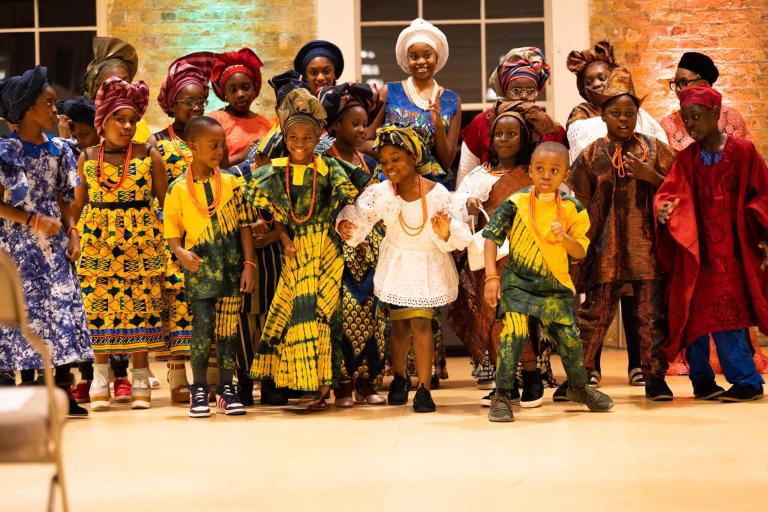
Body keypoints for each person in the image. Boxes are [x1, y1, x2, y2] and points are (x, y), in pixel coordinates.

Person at [248, 88, 368, 411]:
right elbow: (282, 218)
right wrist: (284, 239)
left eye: (307, 138)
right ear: (285, 138)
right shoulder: (276, 172)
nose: (299, 145)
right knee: (298, 314)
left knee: (325, 313)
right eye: (293, 138)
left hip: (327, 250)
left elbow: (352, 201)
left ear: (318, 140)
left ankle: (323, 386)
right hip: (297, 252)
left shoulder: (328, 170)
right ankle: (307, 385)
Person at [337, 124, 472, 412]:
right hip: (397, 263)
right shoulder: (383, 193)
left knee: (421, 323)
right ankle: (400, 377)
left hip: (427, 264)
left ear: (413, 157)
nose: (389, 166)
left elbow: (457, 236)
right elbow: (360, 218)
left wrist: (446, 230)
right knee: (399, 326)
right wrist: (348, 227)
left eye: (396, 159)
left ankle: (423, 387)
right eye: (384, 162)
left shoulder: (438, 195)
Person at [562, 66, 675, 401]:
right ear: (603, 114)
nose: (623, 119)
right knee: (592, 316)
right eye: (615, 113)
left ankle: (655, 377)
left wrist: (651, 176)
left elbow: (682, 187)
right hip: (603, 248)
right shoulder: (592, 153)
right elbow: (575, 200)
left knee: (650, 316)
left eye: (630, 113)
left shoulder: (654, 150)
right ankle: (577, 379)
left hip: (646, 250)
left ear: (637, 115)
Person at [482, 142, 613, 422]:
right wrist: (492, 276)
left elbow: (581, 251)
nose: (545, 175)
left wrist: (564, 237)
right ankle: (502, 395)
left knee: (569, 341)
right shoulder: (516, 203)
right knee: (513, 335)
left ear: (564, 175)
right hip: (518, 283)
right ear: (530, 171)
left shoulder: (572, 207)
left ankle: (579, 388)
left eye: (554, 170)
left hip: (555, 285)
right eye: (539, 169)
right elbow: (491, 237)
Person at [655, 85, 766, 402]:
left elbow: (763, 194)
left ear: (716, 113)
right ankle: (702, 382)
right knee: (694, 319)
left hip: (733, 254)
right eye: (686, 119)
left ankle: (746, 380)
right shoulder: (687, 158)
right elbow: (671, 192)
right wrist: (665, 209)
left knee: (728, 317)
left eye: (696, 117)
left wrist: (761, 230)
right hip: (696, 254)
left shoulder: (743, 152)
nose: (691, 125)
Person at [0, 66, 93, 417]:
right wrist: (31, 219)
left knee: (60, 312)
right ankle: (21, 388)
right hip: (17, 245)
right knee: (25, 314)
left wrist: (72, 229)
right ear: (26, 109)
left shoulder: (60, 149)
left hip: (53, 246)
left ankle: (60, 389)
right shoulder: (7, 151)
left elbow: (65, 197)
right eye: (49, 104)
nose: (56, 111)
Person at [450, 100, 552, 407]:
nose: (504, 140)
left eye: (512, 134)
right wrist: (467, 207)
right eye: (499, 134)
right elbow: (457, 209)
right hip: (489, 259)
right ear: (490, 138)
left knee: (522, 318)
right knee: (493, 319)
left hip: (523, 258)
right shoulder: (478, 175)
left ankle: (532, 376)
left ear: (524, 139)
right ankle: (503, 381)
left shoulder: (532, 174)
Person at [78, 77, 168, 411]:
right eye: (120, 119)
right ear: (103, 121)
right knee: (99, 307)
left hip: (141, 243)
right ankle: (101, 375)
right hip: (98, 243)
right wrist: (71, 233)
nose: (128, 126)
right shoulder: (87, 156)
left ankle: (140, 375)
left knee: (139, 306)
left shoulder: (149, 155)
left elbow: (165, 202)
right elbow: (77, 205)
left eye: (132, 120)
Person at [164, 115, 254, 417]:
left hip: (231, 271)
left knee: (228, 332)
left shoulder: (231, 182)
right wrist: (180, 253)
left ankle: (227, 389)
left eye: (222, 145)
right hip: (200, 271)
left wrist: (249, 264)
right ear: (193, 146)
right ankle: (198, 388)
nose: (220, 151)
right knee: (202, 331)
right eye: (213, 145)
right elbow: (172, 232)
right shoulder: (177, 188)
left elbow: (244, 226)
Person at [153, 51, 216, 402]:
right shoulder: (157, 144)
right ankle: (177, 379)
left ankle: (206, 378)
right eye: (187, 101)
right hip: (176, 234)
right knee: (177, 303)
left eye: (201, 101)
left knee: (206, 302)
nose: (195, 107)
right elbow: (158, 200)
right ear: (170, 103)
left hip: (209, 232)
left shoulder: (208, 137)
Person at [319, 82, 386, 406]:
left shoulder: (370, 164)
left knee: (372, 314)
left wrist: (371, 239)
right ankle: (342, 382)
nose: (362, 130)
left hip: (368, 249)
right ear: (334, 126)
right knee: (341, 315)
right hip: (336, 249)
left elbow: (375, 208)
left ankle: (367, 382)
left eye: (365, 123)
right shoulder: (324, 162)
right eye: (355, 124)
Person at [369, 18, 461, 186]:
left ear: (437, 57)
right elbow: (365, 140)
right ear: (407, 59)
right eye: (414, 56)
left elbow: (447, 162)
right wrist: (394, 154)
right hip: (391, 183)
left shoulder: (451, 100)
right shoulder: (389, 91)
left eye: (427, 55)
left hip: (432, 188)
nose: (421, 61)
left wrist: (438, 124)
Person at [458, 46, 565, 186]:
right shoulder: (483, 122)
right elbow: (465, 174)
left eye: (530, 90)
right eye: (516, 90)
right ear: (504, 90)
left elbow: (562, 181)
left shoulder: (550, 128)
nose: (524, 97)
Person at [565, 41, 668, 164]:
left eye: (602, 78)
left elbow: (656, 139)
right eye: (588, 82)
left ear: (614, 78)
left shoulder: (638, 112)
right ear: (583, 90)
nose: (596, 84)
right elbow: (580, 146)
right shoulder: (580, 114)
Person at [660, 52, 750, 152]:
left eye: (683, 82)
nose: (678, 90)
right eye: (676, 84)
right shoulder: (667, 125)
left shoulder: (732, 118)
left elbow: (748, 161)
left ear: (705, 83)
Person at [82, 36, 152, 144]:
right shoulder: (86, 127)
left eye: (126, 82)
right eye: (114, 84)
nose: (123, 88)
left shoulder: (139, 127)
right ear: (100, 91)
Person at [208, 48, 272, 166]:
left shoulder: (265, 124)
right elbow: (207, 166)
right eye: (233, 90)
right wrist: (242, 156)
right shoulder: (214, 121)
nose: (240, 94)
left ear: (254, 89)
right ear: (225, 94)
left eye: (246, 87)